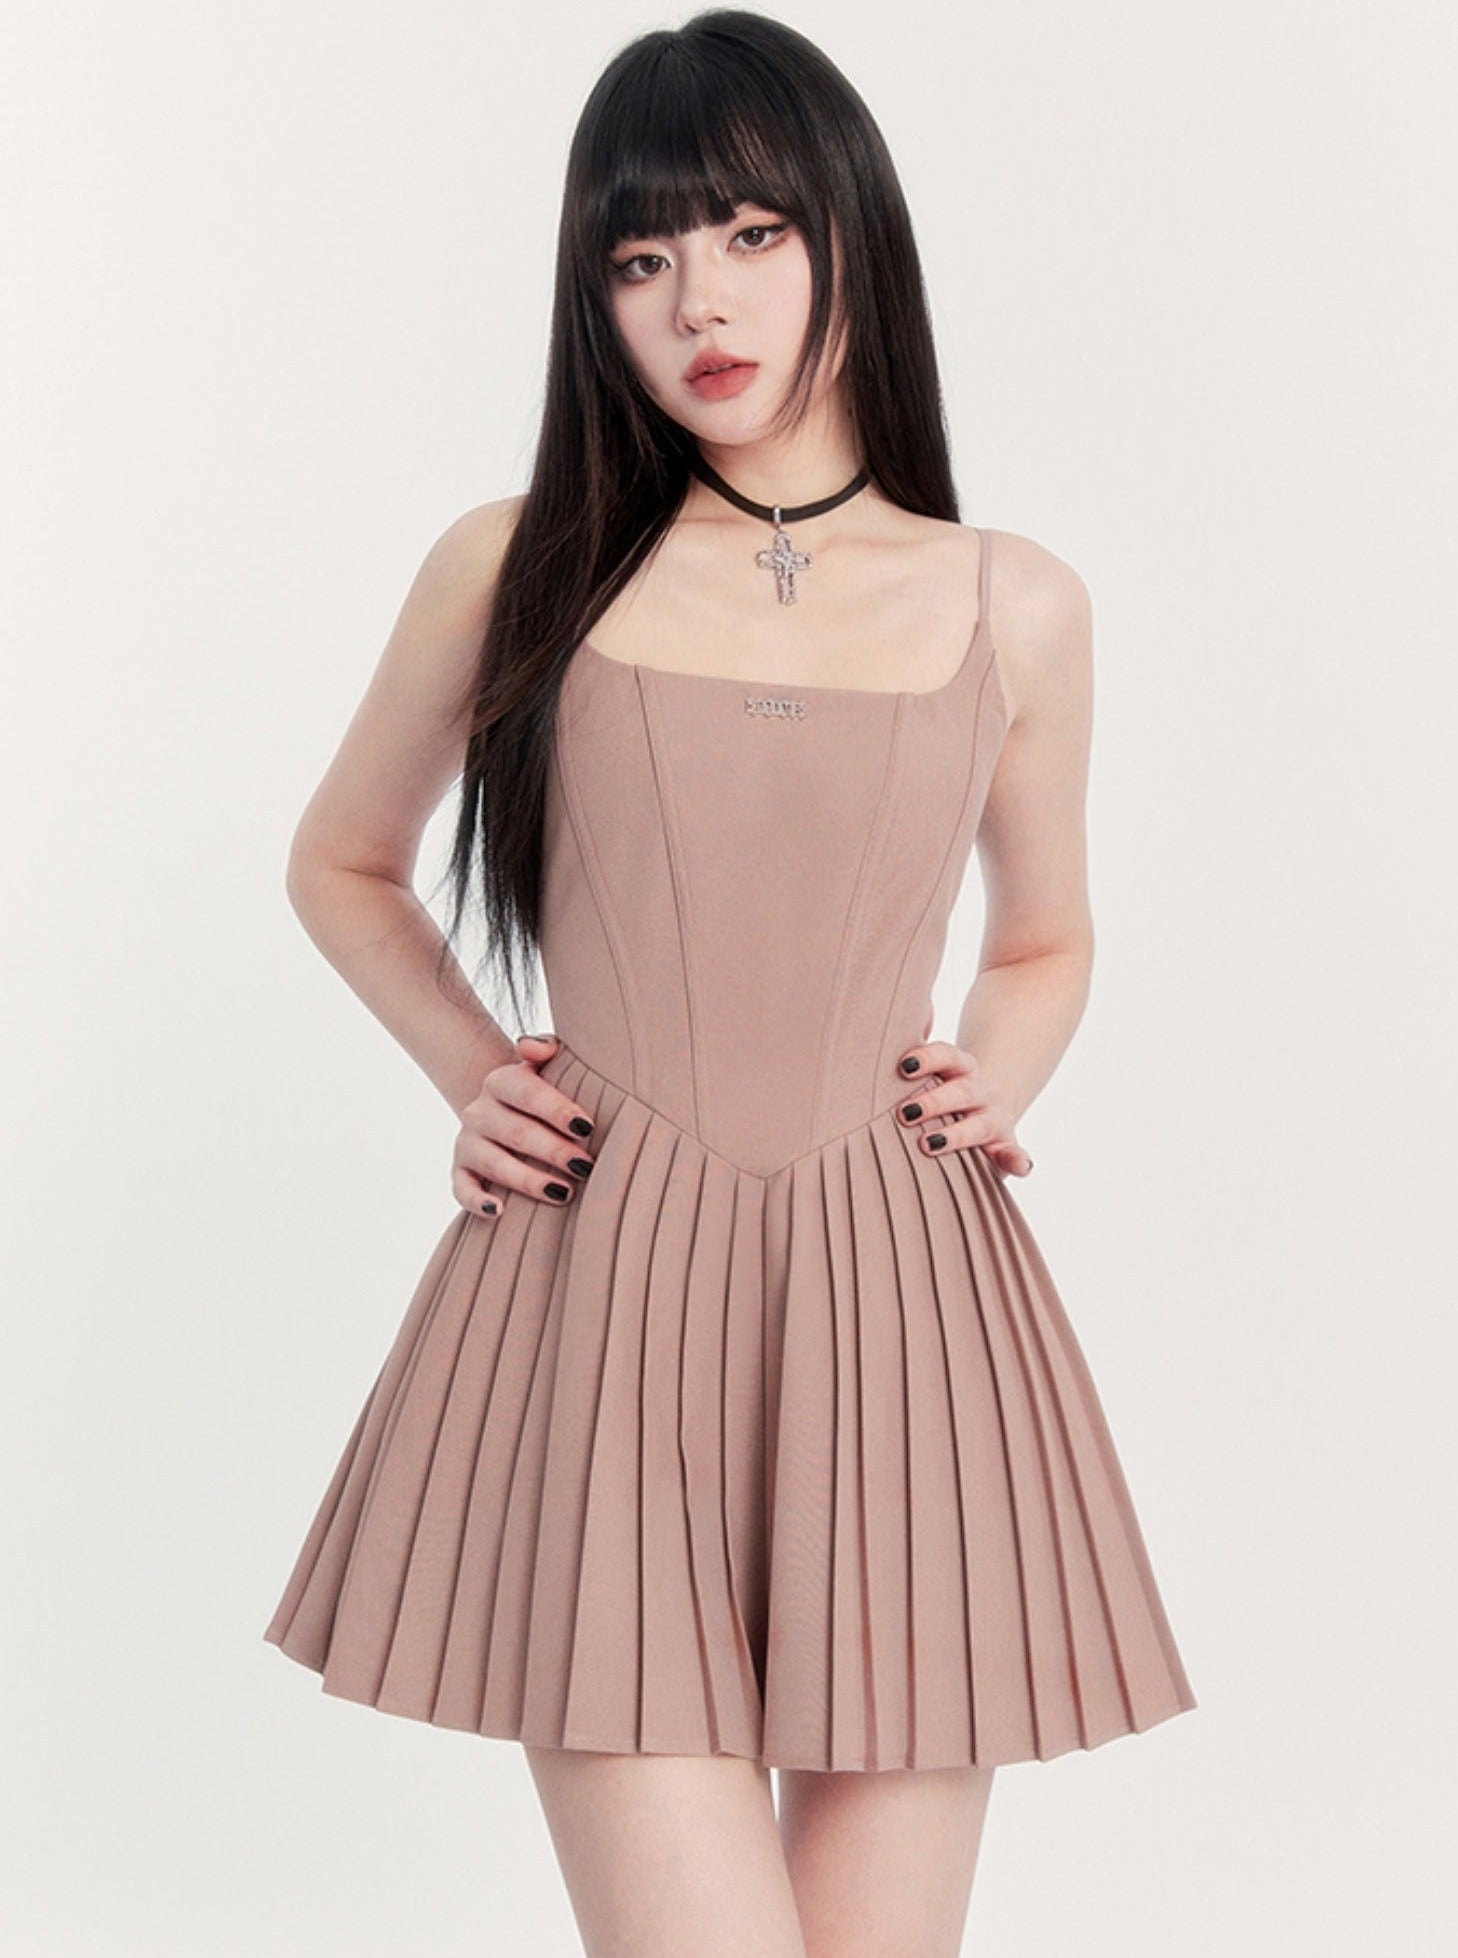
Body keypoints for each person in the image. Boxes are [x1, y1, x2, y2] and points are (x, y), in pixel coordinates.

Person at [263, 9, 1197, 1953]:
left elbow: (1045, 931)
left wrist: (998, 1068)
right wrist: (472, 1071)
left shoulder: (1011, 598)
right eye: (640, 257)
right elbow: (341, 861)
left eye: (753, 233)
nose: (699, 299)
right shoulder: (515, 563)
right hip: (601, 1290)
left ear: (852, 231)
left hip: (905, 1299)